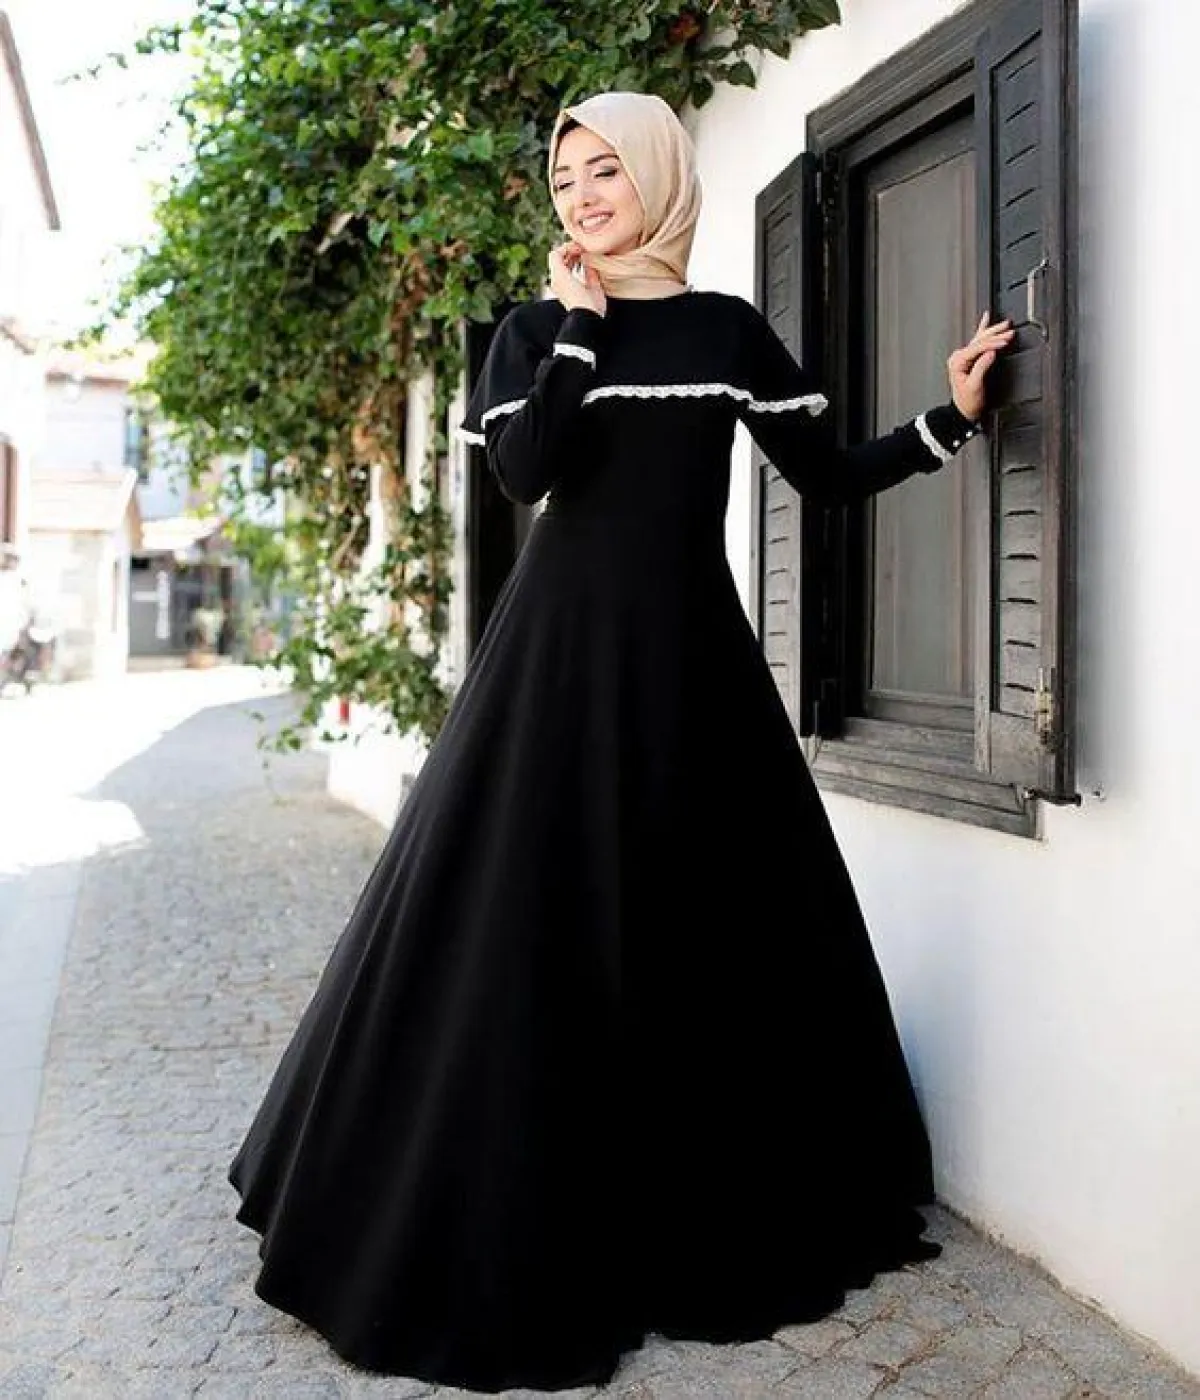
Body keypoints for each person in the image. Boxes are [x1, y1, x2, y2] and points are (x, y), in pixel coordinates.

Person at [229, 91, 1013, 1393]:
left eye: (606, 171)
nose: (584, 197)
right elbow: (528, 472)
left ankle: (697, 1202)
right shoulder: (528, 331)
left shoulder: (726, 331)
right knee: (516, 917)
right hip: (550, 667)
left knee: (704, 918)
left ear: (659, 177)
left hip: (692, 664)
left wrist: (952, 418)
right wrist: (581, 325)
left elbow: (822, 476)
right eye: (565, 178)